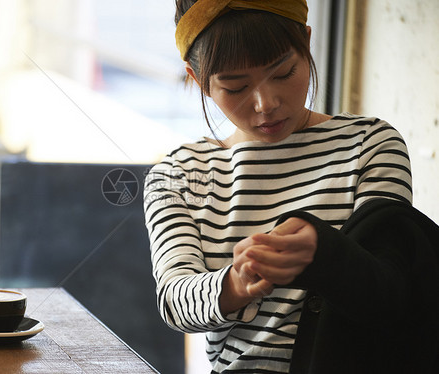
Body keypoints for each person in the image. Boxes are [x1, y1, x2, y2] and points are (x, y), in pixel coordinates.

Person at [143, 0, 439, 373]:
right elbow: (174, 301)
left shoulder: (369, 144)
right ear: (198, 79)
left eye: (283, 73)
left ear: (307, 42)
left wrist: (325, 253)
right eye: (235, 86)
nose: (266, 104)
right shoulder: (178, 174)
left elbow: (392, 295)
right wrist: (235, 283)